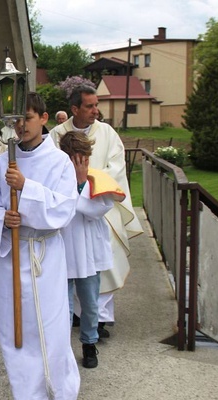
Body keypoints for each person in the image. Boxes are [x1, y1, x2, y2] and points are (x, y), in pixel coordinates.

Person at [0, 92, 79, 400]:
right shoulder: (3, 162)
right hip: (10, 254)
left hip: (43, 256)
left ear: (44, 118)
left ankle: (56, 387)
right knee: (14, 332)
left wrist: (26, 189)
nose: (21, 126)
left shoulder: (59, 162)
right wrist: (3, 219)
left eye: (28, 119)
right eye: (16, 120)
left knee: (48, 328)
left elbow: (65, 209)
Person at [50, 85, 143, 338]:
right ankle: (75, 318)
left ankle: (99, 319)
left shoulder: (108, 133)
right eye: (89, 106)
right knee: (68, 269)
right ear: (75, 109)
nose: (95, 111)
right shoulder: (57, 134)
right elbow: (50, 169)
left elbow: (116, 166)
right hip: (67, 212)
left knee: (101, 266)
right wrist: (74, 183)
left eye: (96, 105)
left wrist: (88, 182)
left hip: (101, 205)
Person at [59, 131, 124, 369]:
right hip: (64, 251)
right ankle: (62, 349)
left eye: (84, 158)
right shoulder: (56, 177)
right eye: (76, 158)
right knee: (62, 307)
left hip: (88, 253)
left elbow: (98, 209)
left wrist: (80, 183)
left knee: (90, 303)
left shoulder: (97, 179)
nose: (81, 163)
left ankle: (89, 343)